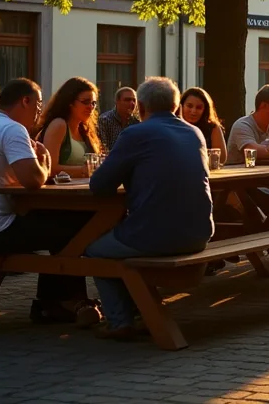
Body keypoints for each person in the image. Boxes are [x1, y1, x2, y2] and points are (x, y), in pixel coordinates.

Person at [0, 78, 102, 327]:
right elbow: (33, 180)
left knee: (61, 226)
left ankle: (58, 301)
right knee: (77, 227)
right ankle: (62, 301)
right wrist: (43, 157)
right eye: (38, 104)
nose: (40, 111)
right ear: (25, 101)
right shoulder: (12, 129)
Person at [85, 77, 214, 340]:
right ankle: (138, 311)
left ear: (140, 107)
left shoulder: (135, 133)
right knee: (126, 240)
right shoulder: (194, 132)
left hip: (156, 235)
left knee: (94, 251)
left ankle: (120, 321)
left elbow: (99, 185)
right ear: (177, 106)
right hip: (200, 233)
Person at [39, 77, 102, 178]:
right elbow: (50, 168)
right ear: (70, 102)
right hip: (59, 192)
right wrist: (84, 170)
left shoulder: (84, 128)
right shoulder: (59, 125)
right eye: (85, 102)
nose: (90, 107)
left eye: (93, 103)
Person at [227, 85, 269, 164]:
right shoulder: (242, 125)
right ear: (264, 106)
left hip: (266, 172)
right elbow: (252, 151)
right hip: (239, 174)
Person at [179, 87, 227, 165]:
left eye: (199, 108)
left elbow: (221, 159)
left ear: (205, 109)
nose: (193, 111)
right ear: (181, 106)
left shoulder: (212, 127)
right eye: (189, 106)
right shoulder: (173, 125)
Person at [97, 86, 140, 152]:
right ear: (117, 101)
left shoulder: (137, 122)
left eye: (134, 100)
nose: (132, 103)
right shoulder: (104, 120)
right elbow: (103, 148)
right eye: (127, 100)